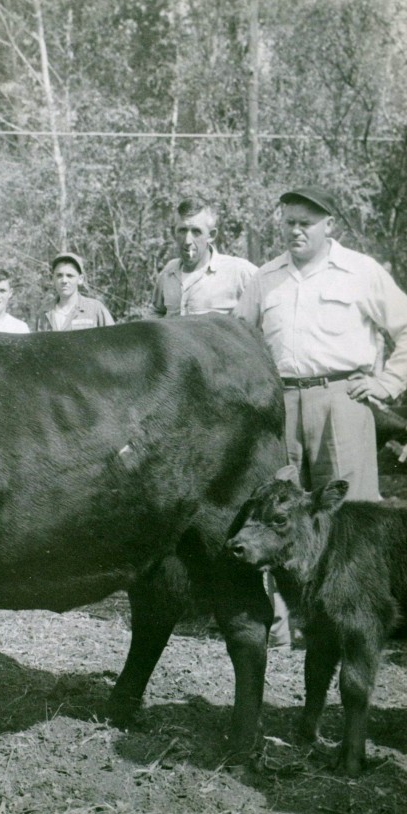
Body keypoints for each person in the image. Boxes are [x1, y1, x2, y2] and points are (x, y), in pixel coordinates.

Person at [235, 186, 407, 647]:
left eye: (306, 222)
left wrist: (387, 383)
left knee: (350, 521)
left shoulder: (360, 272)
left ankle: (354, 626)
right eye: (289, 220)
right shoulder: (266, 278)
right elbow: (236, 339)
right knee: (278, 511)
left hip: (342, 401)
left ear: (329, 225)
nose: (295, 230)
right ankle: (288, 629)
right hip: (282, 405)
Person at [151, 198, 257, 317]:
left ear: (211, 235)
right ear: (173, 233)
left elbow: (267, 308)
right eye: (182, 230)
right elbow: (156, 313)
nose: (187, 241)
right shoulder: (168, 272)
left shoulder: (238, 271)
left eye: (196, 232)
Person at [36, 253, 115, 331]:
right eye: (59, 275)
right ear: (53, 278)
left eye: (69, 276)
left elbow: (114, 339)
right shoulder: (44, 313)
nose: (64, 280)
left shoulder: (95, 309)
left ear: (80, 279)